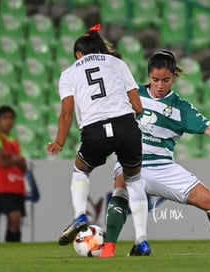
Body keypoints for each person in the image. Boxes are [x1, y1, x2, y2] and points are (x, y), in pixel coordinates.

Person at [104, 50, 210, 255]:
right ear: (149, 76)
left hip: (164, 167)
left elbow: (209, 127)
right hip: (132, 161)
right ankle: (108, 247)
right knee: (122, 183)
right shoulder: (133, 95)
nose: (159, 85)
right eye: (155, 79)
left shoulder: (181, 108)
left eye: (165, 80)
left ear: (173, 77)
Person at [46, 24, 150, 257]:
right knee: (133, 181)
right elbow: (138, 106)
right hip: (126, 126)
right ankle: (142, 240)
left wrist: (59, 142)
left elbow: (67, 112)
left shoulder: (69, 73)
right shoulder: (117, 63)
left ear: (78, 55)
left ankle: (80, 214)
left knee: (81, 170)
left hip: (95, 130)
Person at [0, 105, 27, 242]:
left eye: (11, 118)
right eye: (4, 118)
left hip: (17, 186)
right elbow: (1, 162)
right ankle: (11, 249)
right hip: (4, 186)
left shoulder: (14, 142)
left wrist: (14, 158)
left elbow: (23, 166)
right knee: (14, 218)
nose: (8, 121)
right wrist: (16, 159)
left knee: (16, 221)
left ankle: (15, 250)